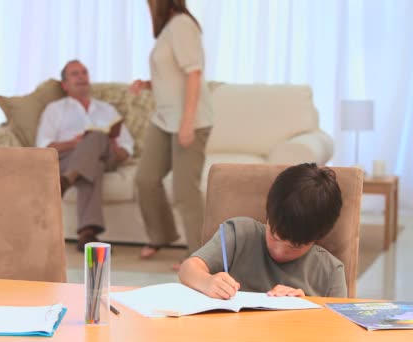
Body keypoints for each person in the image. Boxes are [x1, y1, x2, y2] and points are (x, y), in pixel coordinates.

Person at [178, 163, 347, 299]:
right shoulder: (239, 234)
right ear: (268, 215)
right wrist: (207, 281)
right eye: (274, 236)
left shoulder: (330, 273)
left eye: (293, 247)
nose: (279, 251)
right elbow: (188, 269)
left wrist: (307, 304)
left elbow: (338, 330)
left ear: (317, 238)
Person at [129, 0, 213, 268]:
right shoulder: (169, 27)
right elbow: (173, 74)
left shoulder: (183, 26)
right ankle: (161, 235)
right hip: (164, 119)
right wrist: (149, 83)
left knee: (185, 191)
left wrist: (187, 122)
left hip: (189, 121)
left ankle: (200, 256)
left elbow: (194, 74)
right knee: (145, 178)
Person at [36, 60, 135, 252]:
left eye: (84, 72)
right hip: (69, 157)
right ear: (64, 85)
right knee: (93, 166)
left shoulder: (107, 109)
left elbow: (127, 148)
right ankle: (87, 233)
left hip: (107, 157)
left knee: (97, 136)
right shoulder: (55, 109)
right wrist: (73, 144)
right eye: (75, 74)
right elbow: (43, 146)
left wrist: (113, 146)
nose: (81, 76)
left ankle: (66, 180)